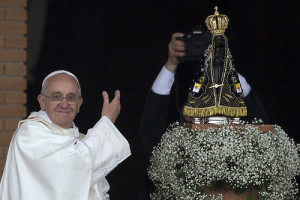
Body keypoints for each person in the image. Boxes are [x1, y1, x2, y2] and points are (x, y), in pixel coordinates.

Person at [139, 31, 269, 199]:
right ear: (184, 112)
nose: (205, 117)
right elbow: (150, 127)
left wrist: (226, 69)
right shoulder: (172, 149)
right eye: (197, 109)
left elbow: (261, 125)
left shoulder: (240, 155)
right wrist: (171, 65)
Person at [0, 70, 131, 200]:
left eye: (71, 97)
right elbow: (72, 165)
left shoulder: (83, 141)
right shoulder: (29, 134)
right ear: (42, 101)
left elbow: (99, 191)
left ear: (79, 104)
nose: (64, 104)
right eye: (56, 96)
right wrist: (107, 122)